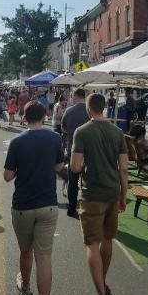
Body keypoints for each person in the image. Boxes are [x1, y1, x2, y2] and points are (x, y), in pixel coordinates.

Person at [4, 101, 64, 295]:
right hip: (48, 205)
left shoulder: (17, 142)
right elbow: (59, 167)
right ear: (45, 115)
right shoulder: (54, 138)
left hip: (23, 206)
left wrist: (21, 168)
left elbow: (8, 176)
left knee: (25, 251)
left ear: (24, 117)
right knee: (44, 258)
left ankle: (26, 287)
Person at [71, 93, 128, 295]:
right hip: (112, 193)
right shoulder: (117, 132)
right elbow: (124, 169)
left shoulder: (82, 132)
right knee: (107, 239)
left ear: (88, 108)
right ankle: (102, 281)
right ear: (104, 108)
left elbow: (75, 167)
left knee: (91, 243)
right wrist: (123, 195)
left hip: (92, 194)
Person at [61, 88, 89, 219]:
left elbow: (63, 128)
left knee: (73, 180)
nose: (71, 98)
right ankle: (89, 207)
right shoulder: (90, 111)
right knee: (89, 179)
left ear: (76, 96)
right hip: (89, 151)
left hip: (73, 148)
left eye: (72, 96)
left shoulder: (69, 111)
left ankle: (72, 208)